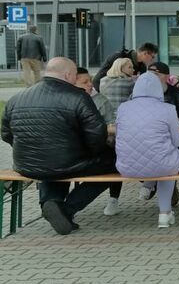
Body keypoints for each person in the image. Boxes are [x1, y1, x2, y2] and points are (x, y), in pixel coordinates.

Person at [1, 57, 115, 235]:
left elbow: (6, 133)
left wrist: (27, 150)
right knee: (113, 164)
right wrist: (93, 153)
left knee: (52, 165)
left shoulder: (18, 97)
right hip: (68, 163)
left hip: (27, 165)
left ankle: (50, 202)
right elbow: (97, 134)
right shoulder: (78, 97)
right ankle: (67, 209)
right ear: (68, 74)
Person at [114, 72, 179, 228]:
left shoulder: (123, 108)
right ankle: (164, 214)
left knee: (155, 157)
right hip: (161, 165)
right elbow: (177, 140)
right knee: (167, 162)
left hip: (126, 166)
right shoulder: (168, 109)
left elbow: (119, 135)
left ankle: (147, 185)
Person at [76, 67, 123, 216]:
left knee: (115, 158)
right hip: (74, 151)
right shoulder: (66, 100)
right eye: (85, 82)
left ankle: (113, 199)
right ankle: (63, 206)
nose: (90, 84)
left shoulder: (101, 100)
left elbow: (111, 123)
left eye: (90, 80)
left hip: (98, 147)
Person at [93, 42, 158, 93]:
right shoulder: (120, 57)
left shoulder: (142, 67)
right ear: (145, 53)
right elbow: (100, 77)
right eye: (152, 57)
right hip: (105, 89)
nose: (153, 60)